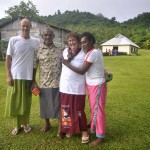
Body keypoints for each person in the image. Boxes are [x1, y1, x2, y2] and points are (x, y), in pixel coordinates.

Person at [62, 32, 108, 147]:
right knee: (67, 109)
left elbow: (82, 70)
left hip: (93, 86)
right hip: (74, 86)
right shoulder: (87, 52)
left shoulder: (91, 53)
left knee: (92, 110)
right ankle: (69, 129)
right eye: (82, 42)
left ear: (92, 41)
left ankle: (100, 136)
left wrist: (67, 64)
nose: (83, 44)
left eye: (84, 42)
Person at [5, 18, 40, 135]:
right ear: (20, 27)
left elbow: (38, 58)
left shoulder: (35, 42)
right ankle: (16, 126)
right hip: (15, 77)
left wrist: (34, 79)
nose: (25, 28)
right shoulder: (13, 40)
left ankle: (25, 124)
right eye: (23, 26)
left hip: (28, 77)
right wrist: (8, 75)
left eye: (27, 26)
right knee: (15, 102)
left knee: (26, 102)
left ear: (30, 27)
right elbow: (8, 58)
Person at [59, 32, 89, 143]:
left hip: (78, 87)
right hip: (65, 86)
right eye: (70, 40)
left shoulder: (84, 53)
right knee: (65, 109)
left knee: (79, 110)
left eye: (74, 40)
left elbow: (88, 67)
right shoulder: (65, 51)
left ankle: (84, 131)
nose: (72, 42)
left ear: (78, 42)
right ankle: (69, 130)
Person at [33, 27, 62, 135]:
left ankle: (60, 127)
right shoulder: (38, 50)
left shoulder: (60, 48)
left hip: (58, 82)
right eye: (45, 35)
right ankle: (47, 124)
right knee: (44, 105)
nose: (48, 37)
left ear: (53, 36)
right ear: (42, 36)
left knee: (59, 105)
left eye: (50, 35)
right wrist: (33, 81)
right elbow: (34, 67)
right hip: (44, 82)